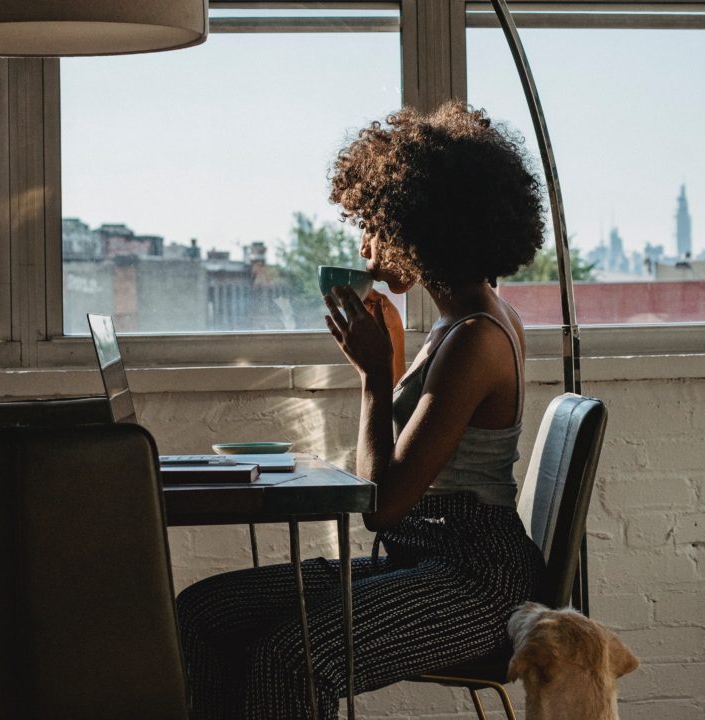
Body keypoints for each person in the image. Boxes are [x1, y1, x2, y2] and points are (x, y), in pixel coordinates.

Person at [176, 101, 547, 719]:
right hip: (426, 558)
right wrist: (389, 367)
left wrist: (376, 379)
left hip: (476, 579)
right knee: (202, 614)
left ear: (423, 228)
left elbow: (385, 503)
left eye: (375, 224)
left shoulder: (477, 336)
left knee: (289, 658)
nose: (365, 243)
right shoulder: (457, 322)